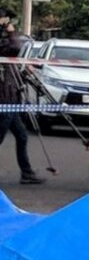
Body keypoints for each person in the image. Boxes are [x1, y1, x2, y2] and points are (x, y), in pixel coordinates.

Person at [0, 12, 44, 185]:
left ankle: (27, 173)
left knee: (22, 135)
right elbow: (15, 48)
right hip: (4, 98)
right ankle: (27, 173)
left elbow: (14, 56)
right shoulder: (5, 42)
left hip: (11, 97)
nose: (6, 22)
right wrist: (10, 32)